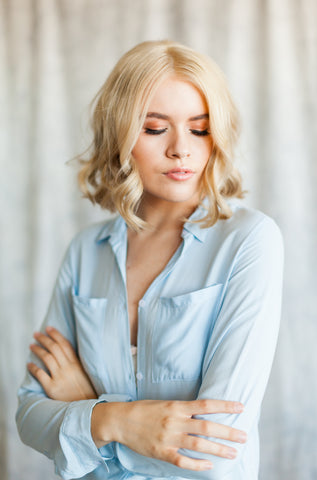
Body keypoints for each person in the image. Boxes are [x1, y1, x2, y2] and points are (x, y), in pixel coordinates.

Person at [16, 40, 284, 480]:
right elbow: (29, 415)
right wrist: (116, 421)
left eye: (200, 128)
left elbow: (213, 448)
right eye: (155, 128)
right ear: (119, 135)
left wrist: (91, 416)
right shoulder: (85, 252)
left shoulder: (249, 241)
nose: (182, 149)